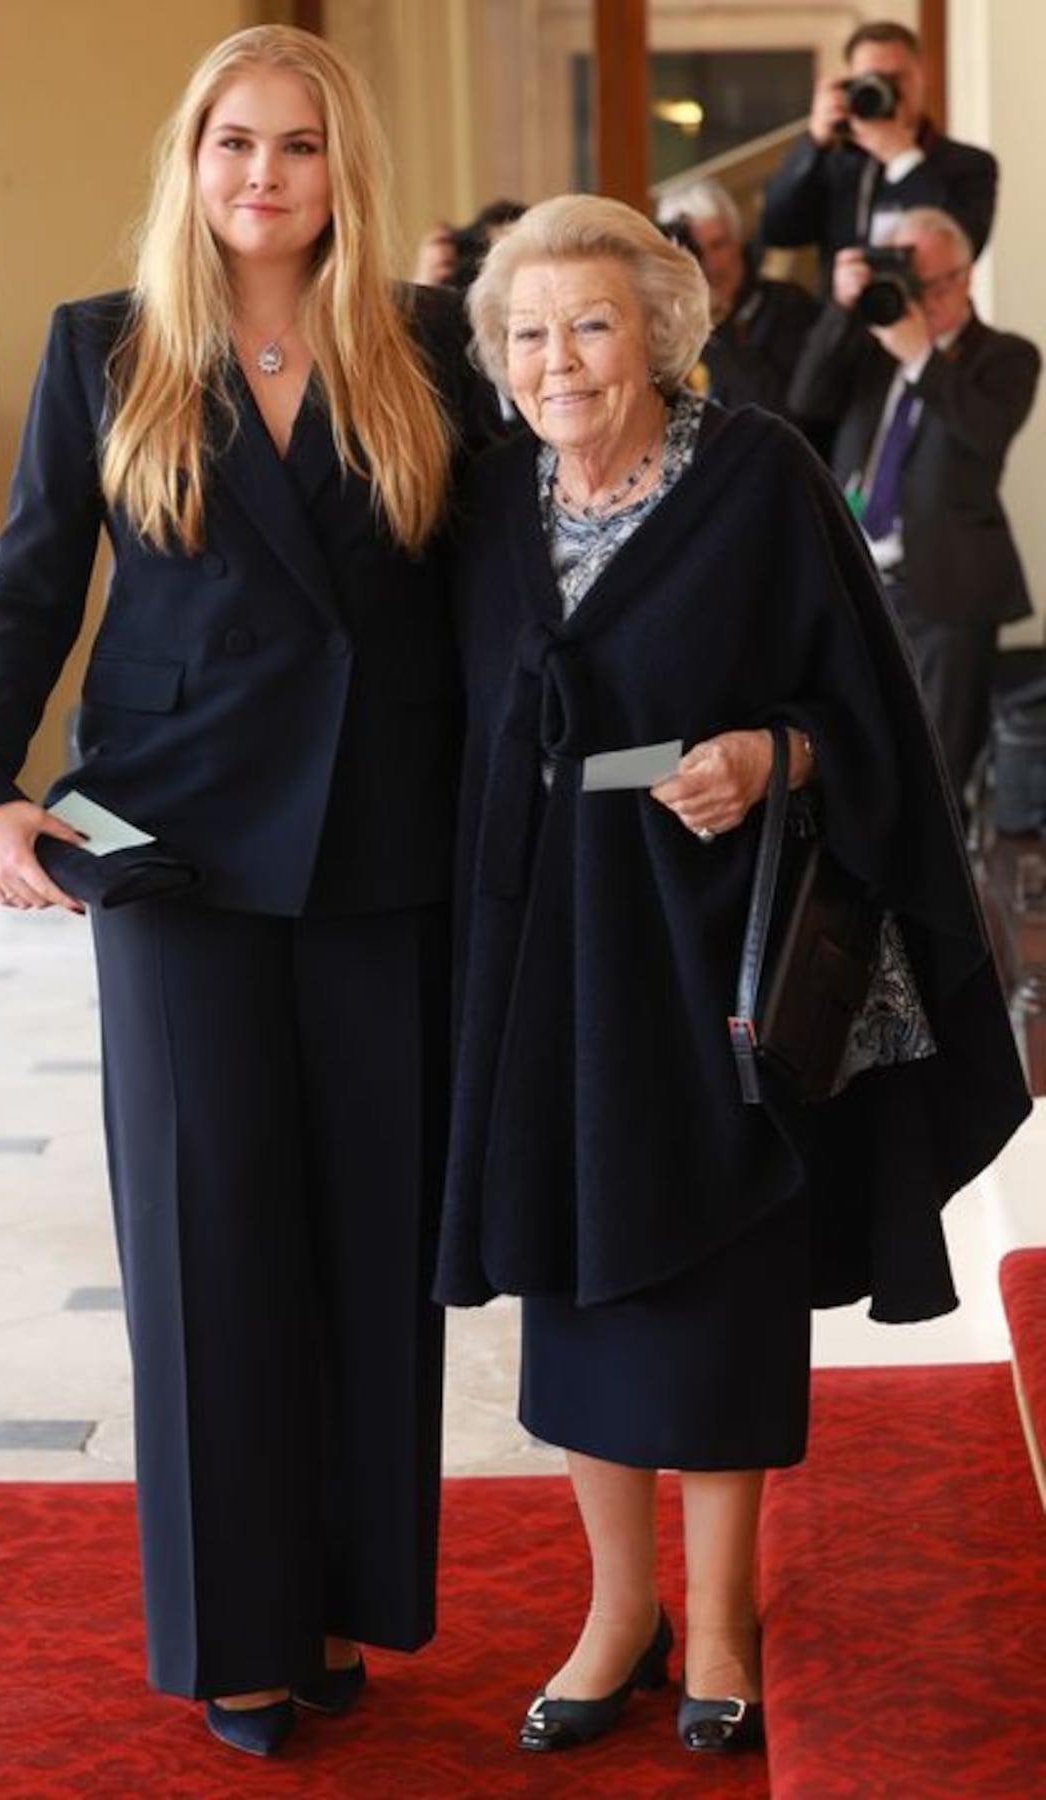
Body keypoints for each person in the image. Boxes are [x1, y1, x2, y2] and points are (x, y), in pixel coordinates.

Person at [0, 24, 486, 1760]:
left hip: (389, 852)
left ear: (346, 172)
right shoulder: (105, 350)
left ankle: (337, 1614)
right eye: (236, 142)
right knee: (211, 1248)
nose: (265, 175)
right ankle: (234, 1642)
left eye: (301, 146)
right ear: (191, 162)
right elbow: (31, 584)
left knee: (364, 1249)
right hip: (169, 850)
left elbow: (489, 620)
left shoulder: (426, 353)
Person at [433, 194, 1030, 1763]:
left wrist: (774, 755)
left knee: (714, 1287)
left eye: (594, 323)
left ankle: (717, 1617)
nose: (559, 358)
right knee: (576, 1288)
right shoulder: (493, 506)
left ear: (663, 331)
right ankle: (612, 1614)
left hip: (713, 960)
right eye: (530, 332)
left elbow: (874, 714)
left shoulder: (757, 476)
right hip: (547, 958)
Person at [787, 206, 1040, 812]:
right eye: (908, 282)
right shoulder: (871, 350)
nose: (920, 299)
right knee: (853, 750)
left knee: (938, 770)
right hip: (857, 579)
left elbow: (987, 433)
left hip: (947, 593)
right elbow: (805, 398)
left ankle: (933, 905)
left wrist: (923, 357)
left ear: (964, 277)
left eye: (932, 284)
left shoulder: (1004, 355)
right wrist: (842, 309)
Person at [760, 20, 997, 294]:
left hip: (928, 323)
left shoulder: (970, 165)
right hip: (844, 327)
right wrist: (814, 141)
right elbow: (777, 231)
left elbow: (966, 244)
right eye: (871, 81)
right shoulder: (836, 163)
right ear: (850, 83)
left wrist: (903, 159)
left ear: (923, 74)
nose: (887, 92)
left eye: (896, 79)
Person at [655, 179, 817, 421]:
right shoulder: (662, 326)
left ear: (739, 241)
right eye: (694, 250)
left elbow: (782, 417)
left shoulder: (786, 305)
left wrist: (713, 326)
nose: (709, 264)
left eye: (718, 245)